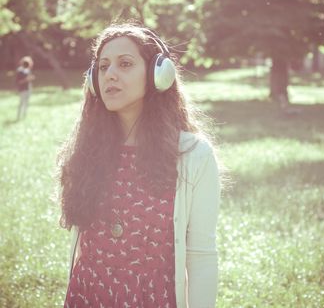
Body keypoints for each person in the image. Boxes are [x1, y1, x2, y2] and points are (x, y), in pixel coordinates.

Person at [57, 22, 221, 308]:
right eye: (104, 66)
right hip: (89, 294)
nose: (110, 75)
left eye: (125, 64)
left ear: (159, 74)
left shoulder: (194, 156)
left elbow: (201, 256)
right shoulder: (88, 149)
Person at [16, 56, 35, 121]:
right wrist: (26, 79)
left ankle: (24, 116)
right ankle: (18, 116)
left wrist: (30, 79)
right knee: (22, 102)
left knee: (27, 102)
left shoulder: (28, 70)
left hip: (28, 88)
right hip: (23, 89)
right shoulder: (20, 71)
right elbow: (18, 82)